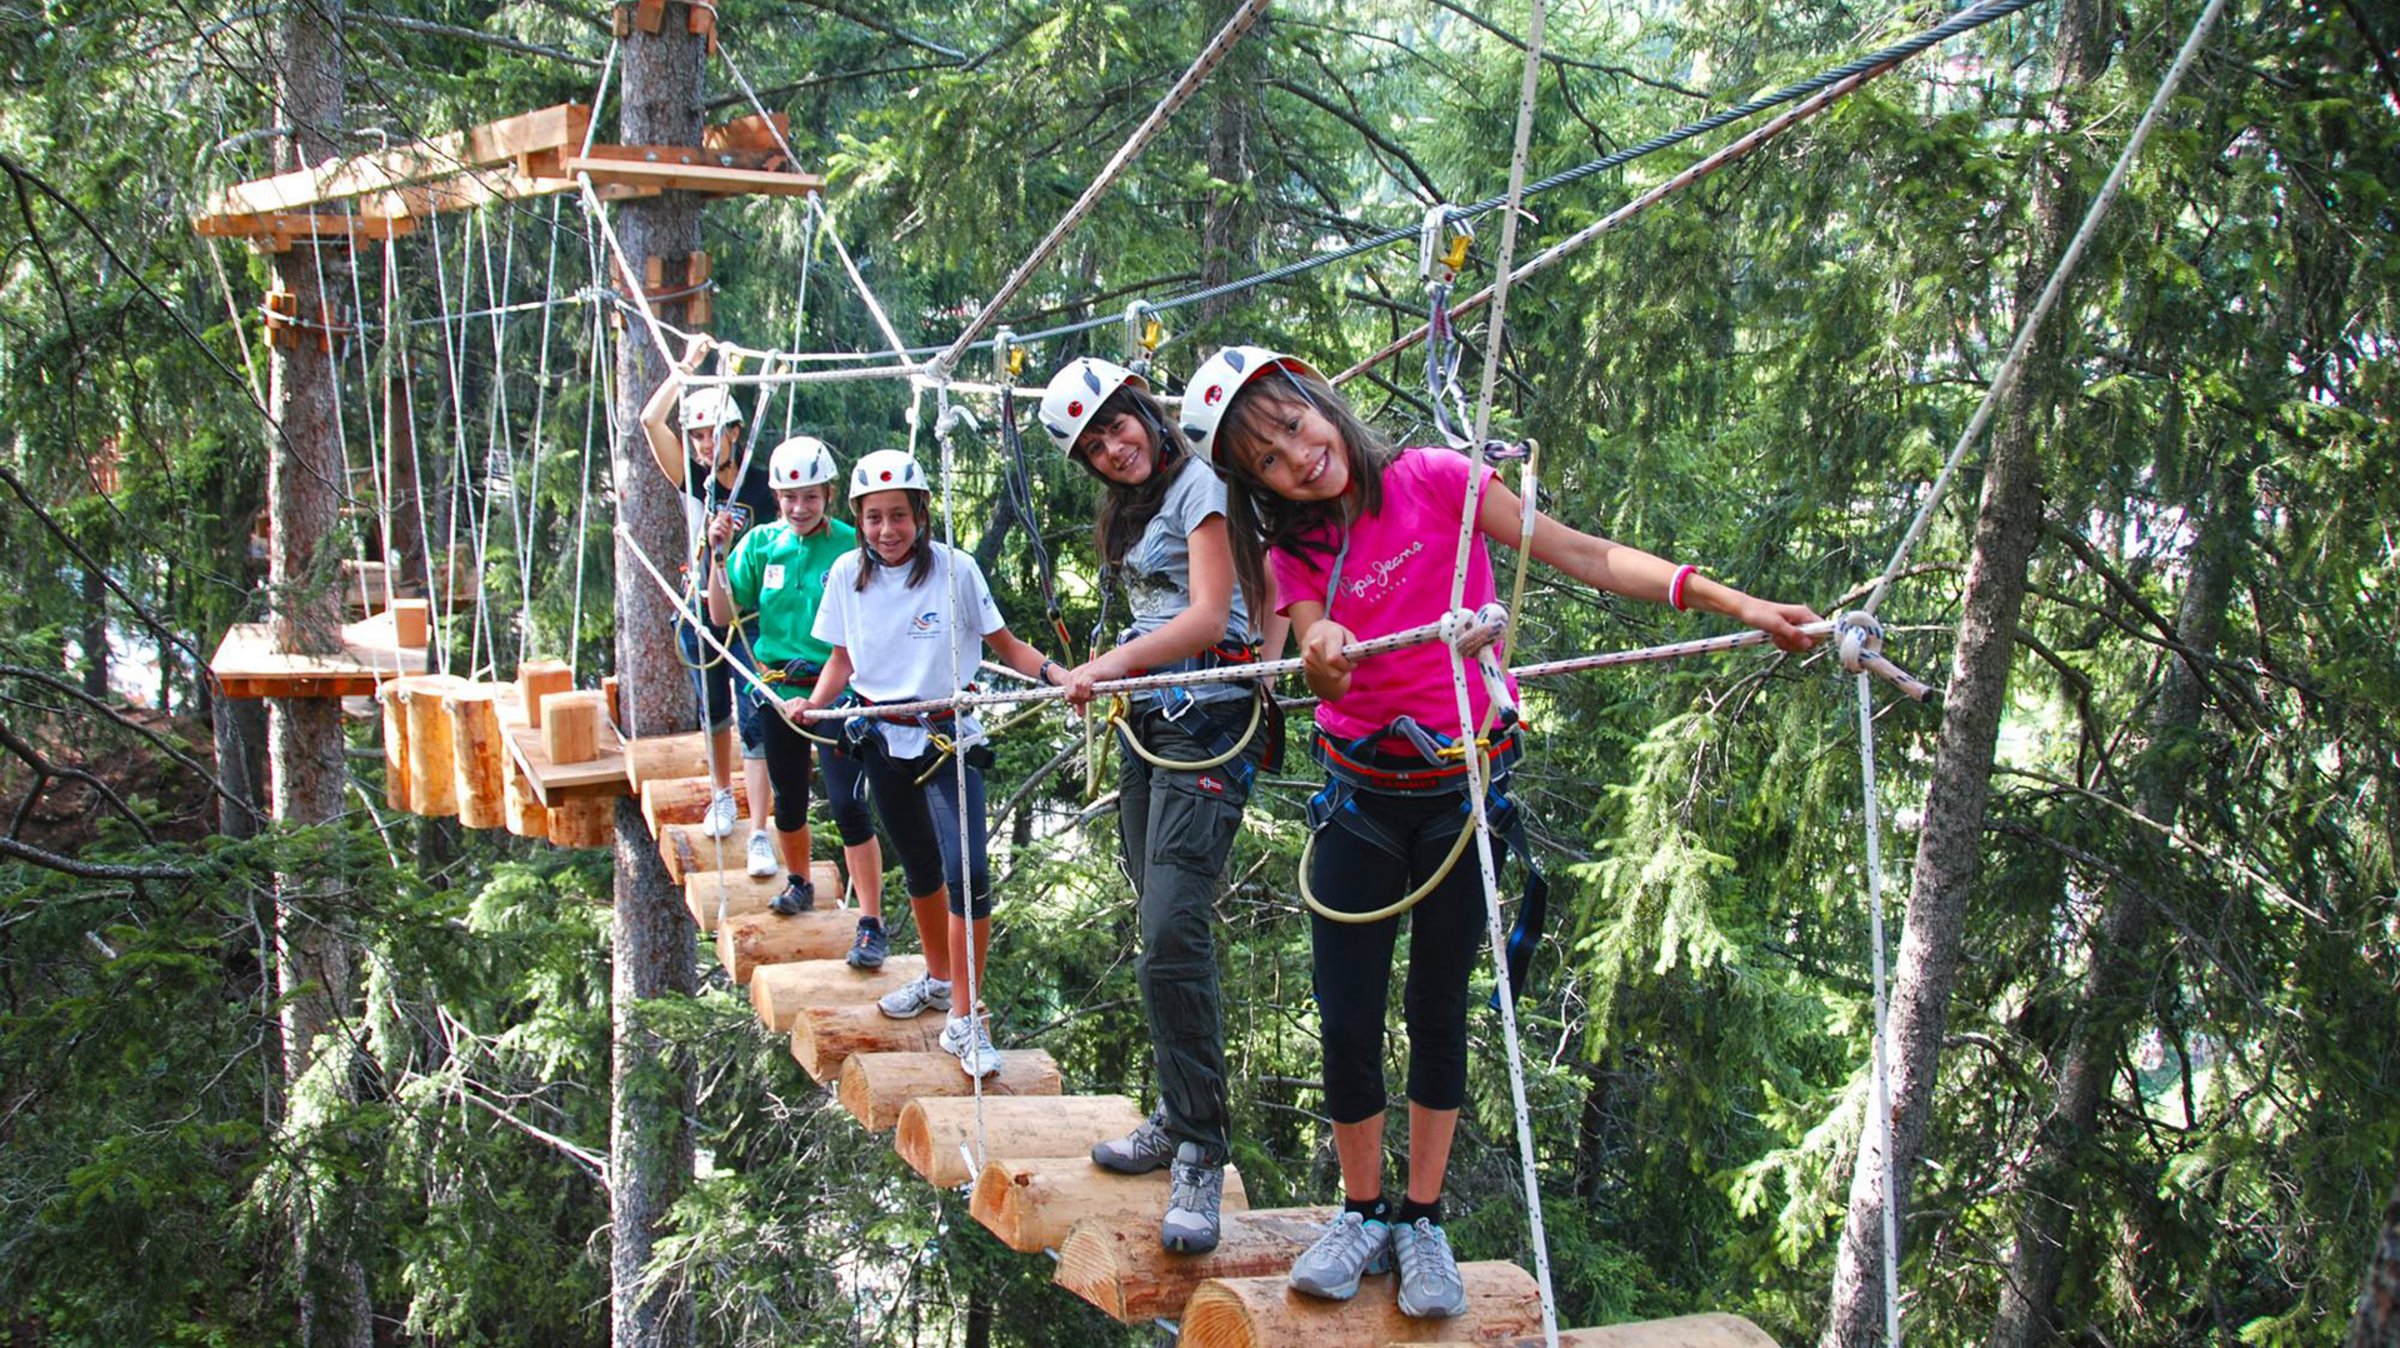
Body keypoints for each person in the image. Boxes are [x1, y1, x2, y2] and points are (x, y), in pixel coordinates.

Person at [1180, 344, 1823, 1318]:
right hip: (1362, 801)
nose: (1299, 458)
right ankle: (1362, 1213)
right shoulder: (1301, 551)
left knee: (1438, 1010)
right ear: (1261, 485)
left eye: (1295, 427)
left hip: (1460, 794)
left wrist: (1733, 602)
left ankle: (1424, 1220)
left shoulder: (1437, 480)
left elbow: (1581, 553)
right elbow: (1321, 666)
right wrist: (1321, 650)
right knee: (1348, 1016)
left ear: (1323, 404)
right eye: (1268, 459)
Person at [1039, 357, 1288, 1255]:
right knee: (1158, 930)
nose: (1114, 448)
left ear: (1143, 407)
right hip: (1156, 724)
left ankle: (1200, 1151)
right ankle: (1177, 1112)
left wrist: (1105, 667)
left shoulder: (1202, 486)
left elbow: (1210, 612)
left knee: (1172, 936)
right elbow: (1164, 618)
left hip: (1209, 721)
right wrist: (1115, 672)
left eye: (1117, 424)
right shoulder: (1138, 511)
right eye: (1095, 446)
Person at [802, 449, 1061, 1078]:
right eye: (872, 518)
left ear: (920, 513)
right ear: (857, 520)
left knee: (966, 870)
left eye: (898, 516)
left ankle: (966, 1018)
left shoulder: (955, 570)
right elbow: (841, 659)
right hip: (881, 736)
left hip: (948, 739)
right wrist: (811, 707)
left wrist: (1058, 675)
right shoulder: (845, 573)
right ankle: (939, 981)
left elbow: (1006, 646)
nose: (886, 530)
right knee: (919, 865)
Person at [705, 436, 890, 965]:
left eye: (809, 497)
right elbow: (722, 614)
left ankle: (871, 921)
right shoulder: (762, 544)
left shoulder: (856, 545)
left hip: (840, 692)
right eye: (789, 498)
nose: (799, 508)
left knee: (850, 804)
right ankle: (801, 881)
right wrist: (717, 556)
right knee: (788, 801)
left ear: (828, 495)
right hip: (777, 689)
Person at [639, 349, 774, 861]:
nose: (701, 444)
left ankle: (760, 830)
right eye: (695, 435)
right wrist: (685, 368)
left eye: (710, 433)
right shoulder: (694, 483)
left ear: (735, 433)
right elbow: (651, 422)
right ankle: (722, 796)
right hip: (701, 612)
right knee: (714, 710)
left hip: (752, 618)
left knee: (756, 717)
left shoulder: (764, 487)